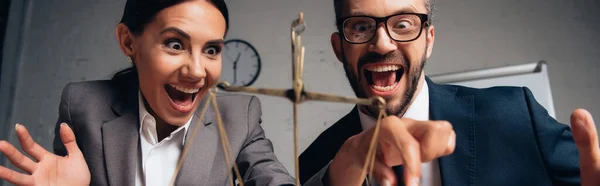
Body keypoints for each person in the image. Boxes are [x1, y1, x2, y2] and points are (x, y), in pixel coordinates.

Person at [299, 0, 599, 186]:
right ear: (339, 48)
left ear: (429, 40)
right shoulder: (316, 165)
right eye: (361, 26)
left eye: (403, 24)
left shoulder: (515, 114)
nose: (383, 44)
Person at [0, 0, 295, 185]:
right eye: (175, 44)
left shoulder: (239, 118)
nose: (197, 71)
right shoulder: (82, 106)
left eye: (211, 50)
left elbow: (272, 178)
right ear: (129, 42)